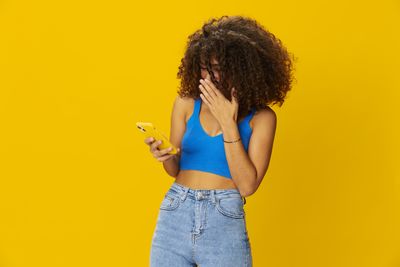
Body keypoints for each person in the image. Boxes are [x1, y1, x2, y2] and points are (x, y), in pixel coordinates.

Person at [146, 15, 295, 267]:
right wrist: (167, 155)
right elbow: (175, 170)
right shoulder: (185, 104)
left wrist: (228, 122)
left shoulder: (262, 118)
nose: (208, 75)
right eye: (204, 67)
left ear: (242, 70)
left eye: (217, 68)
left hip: (223, 218)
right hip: (175, 212)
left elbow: (247, 185)